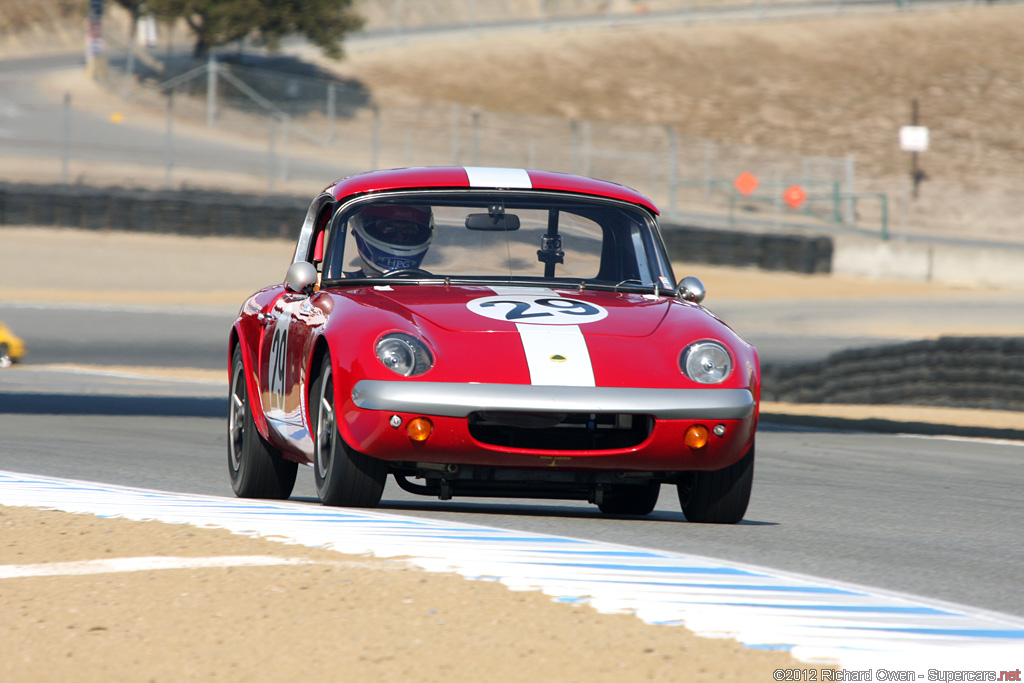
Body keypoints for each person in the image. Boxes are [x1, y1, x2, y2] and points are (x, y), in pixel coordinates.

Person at [348, 204, 435, 276]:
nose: (400, 238)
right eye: (389, 229)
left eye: (408, 231)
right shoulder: (340, 287)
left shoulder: (437, 290)